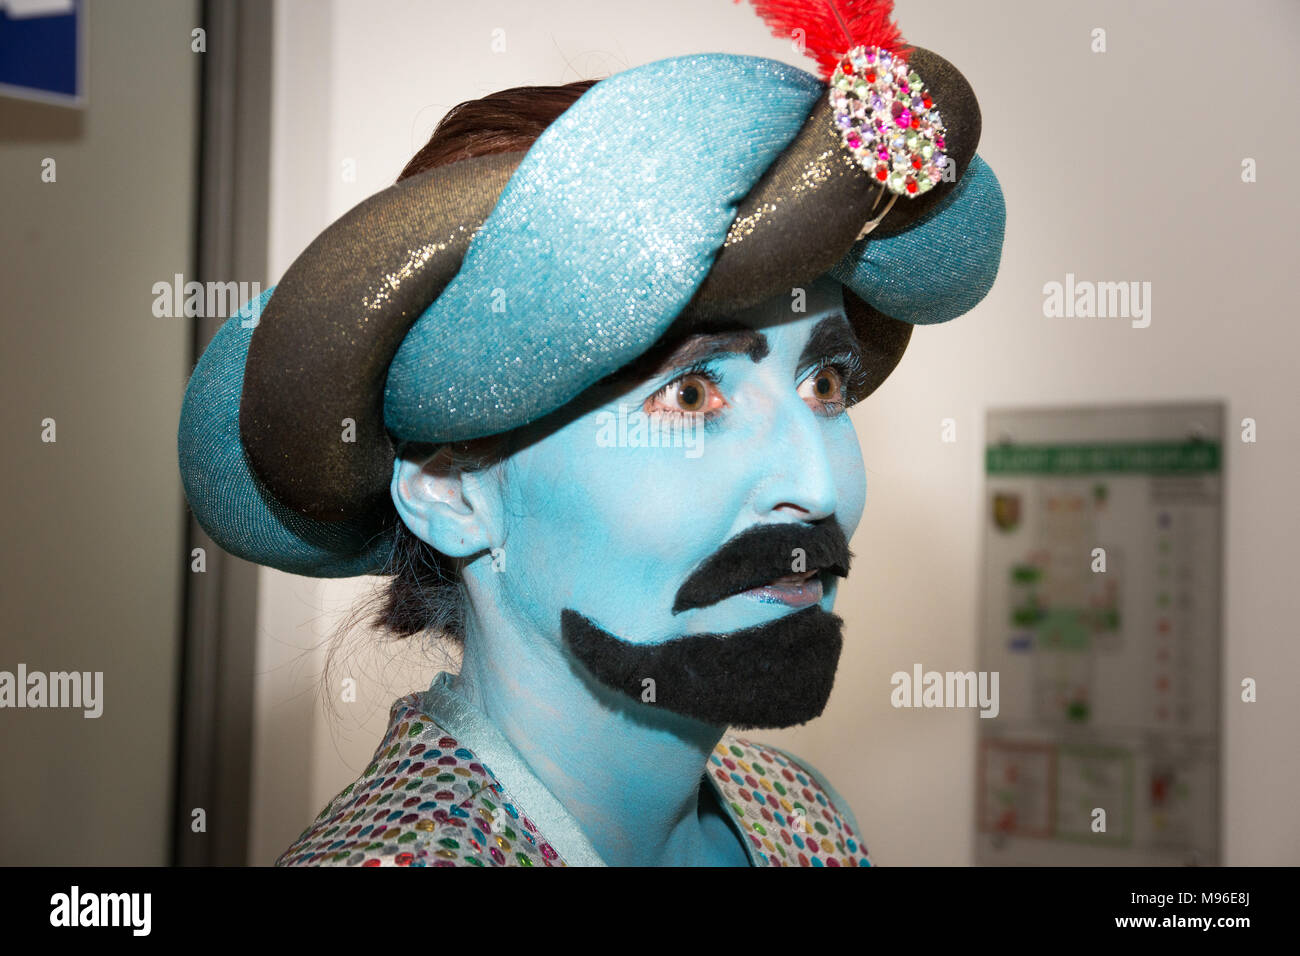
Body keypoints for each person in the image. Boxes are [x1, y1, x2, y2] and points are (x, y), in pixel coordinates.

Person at [177, 0, 1005, 866]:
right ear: (451, 489)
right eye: (690, 396)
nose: (821, 486)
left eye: (826, 384)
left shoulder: (798, 818)